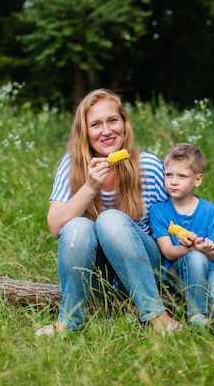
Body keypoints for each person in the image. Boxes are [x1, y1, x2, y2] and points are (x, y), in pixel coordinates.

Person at [35, 88, 181, 337]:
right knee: (76, 226)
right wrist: (90, 186)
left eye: (113, 120)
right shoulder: (72, 165)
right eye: (96, 124)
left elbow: (173, 226)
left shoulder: (149, 166)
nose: (106, 131)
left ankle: (156, 316)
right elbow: (55, 227)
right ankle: (69, 322)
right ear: (85, 132)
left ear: (124, 124)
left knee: (110, 219)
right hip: (96, 279)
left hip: (142, 269)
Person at [149, 143, 214, 335]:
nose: (173, 181)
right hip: (178, 273)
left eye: (182, 176)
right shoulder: (158, 211)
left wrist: (208, 247)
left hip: (211, 270)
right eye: (169, 175)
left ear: (198, 180)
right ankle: (197, 316)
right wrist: (193, 249)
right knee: (195, 258)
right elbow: (168, 252)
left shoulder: (209, 210)